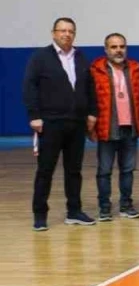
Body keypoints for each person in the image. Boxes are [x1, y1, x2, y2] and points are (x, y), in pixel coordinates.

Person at [25, 17, 98, 230]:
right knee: (45, 170)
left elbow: (89, 87)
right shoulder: (40, 57)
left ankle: (74, 211)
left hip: (76, 123)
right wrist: (34, 115)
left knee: (74, 171)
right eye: (62, 30)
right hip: (50, 123)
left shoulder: (80, 57)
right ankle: (40, 215)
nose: (67, 34)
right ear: (53, 33)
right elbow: (29, 87)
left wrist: (92, 113)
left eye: (70, 31)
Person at [87, 33, 139, 221]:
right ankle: (104, 208)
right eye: (114, 47)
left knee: (128, 170)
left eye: (122, 46)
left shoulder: (136, 69)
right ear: (106, 50)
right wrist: (90, 127)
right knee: (104, 171)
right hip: (107, 127)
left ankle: (126, 206)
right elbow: (89, 99)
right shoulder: (95, 70)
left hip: (130, 128)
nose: (118, 50)